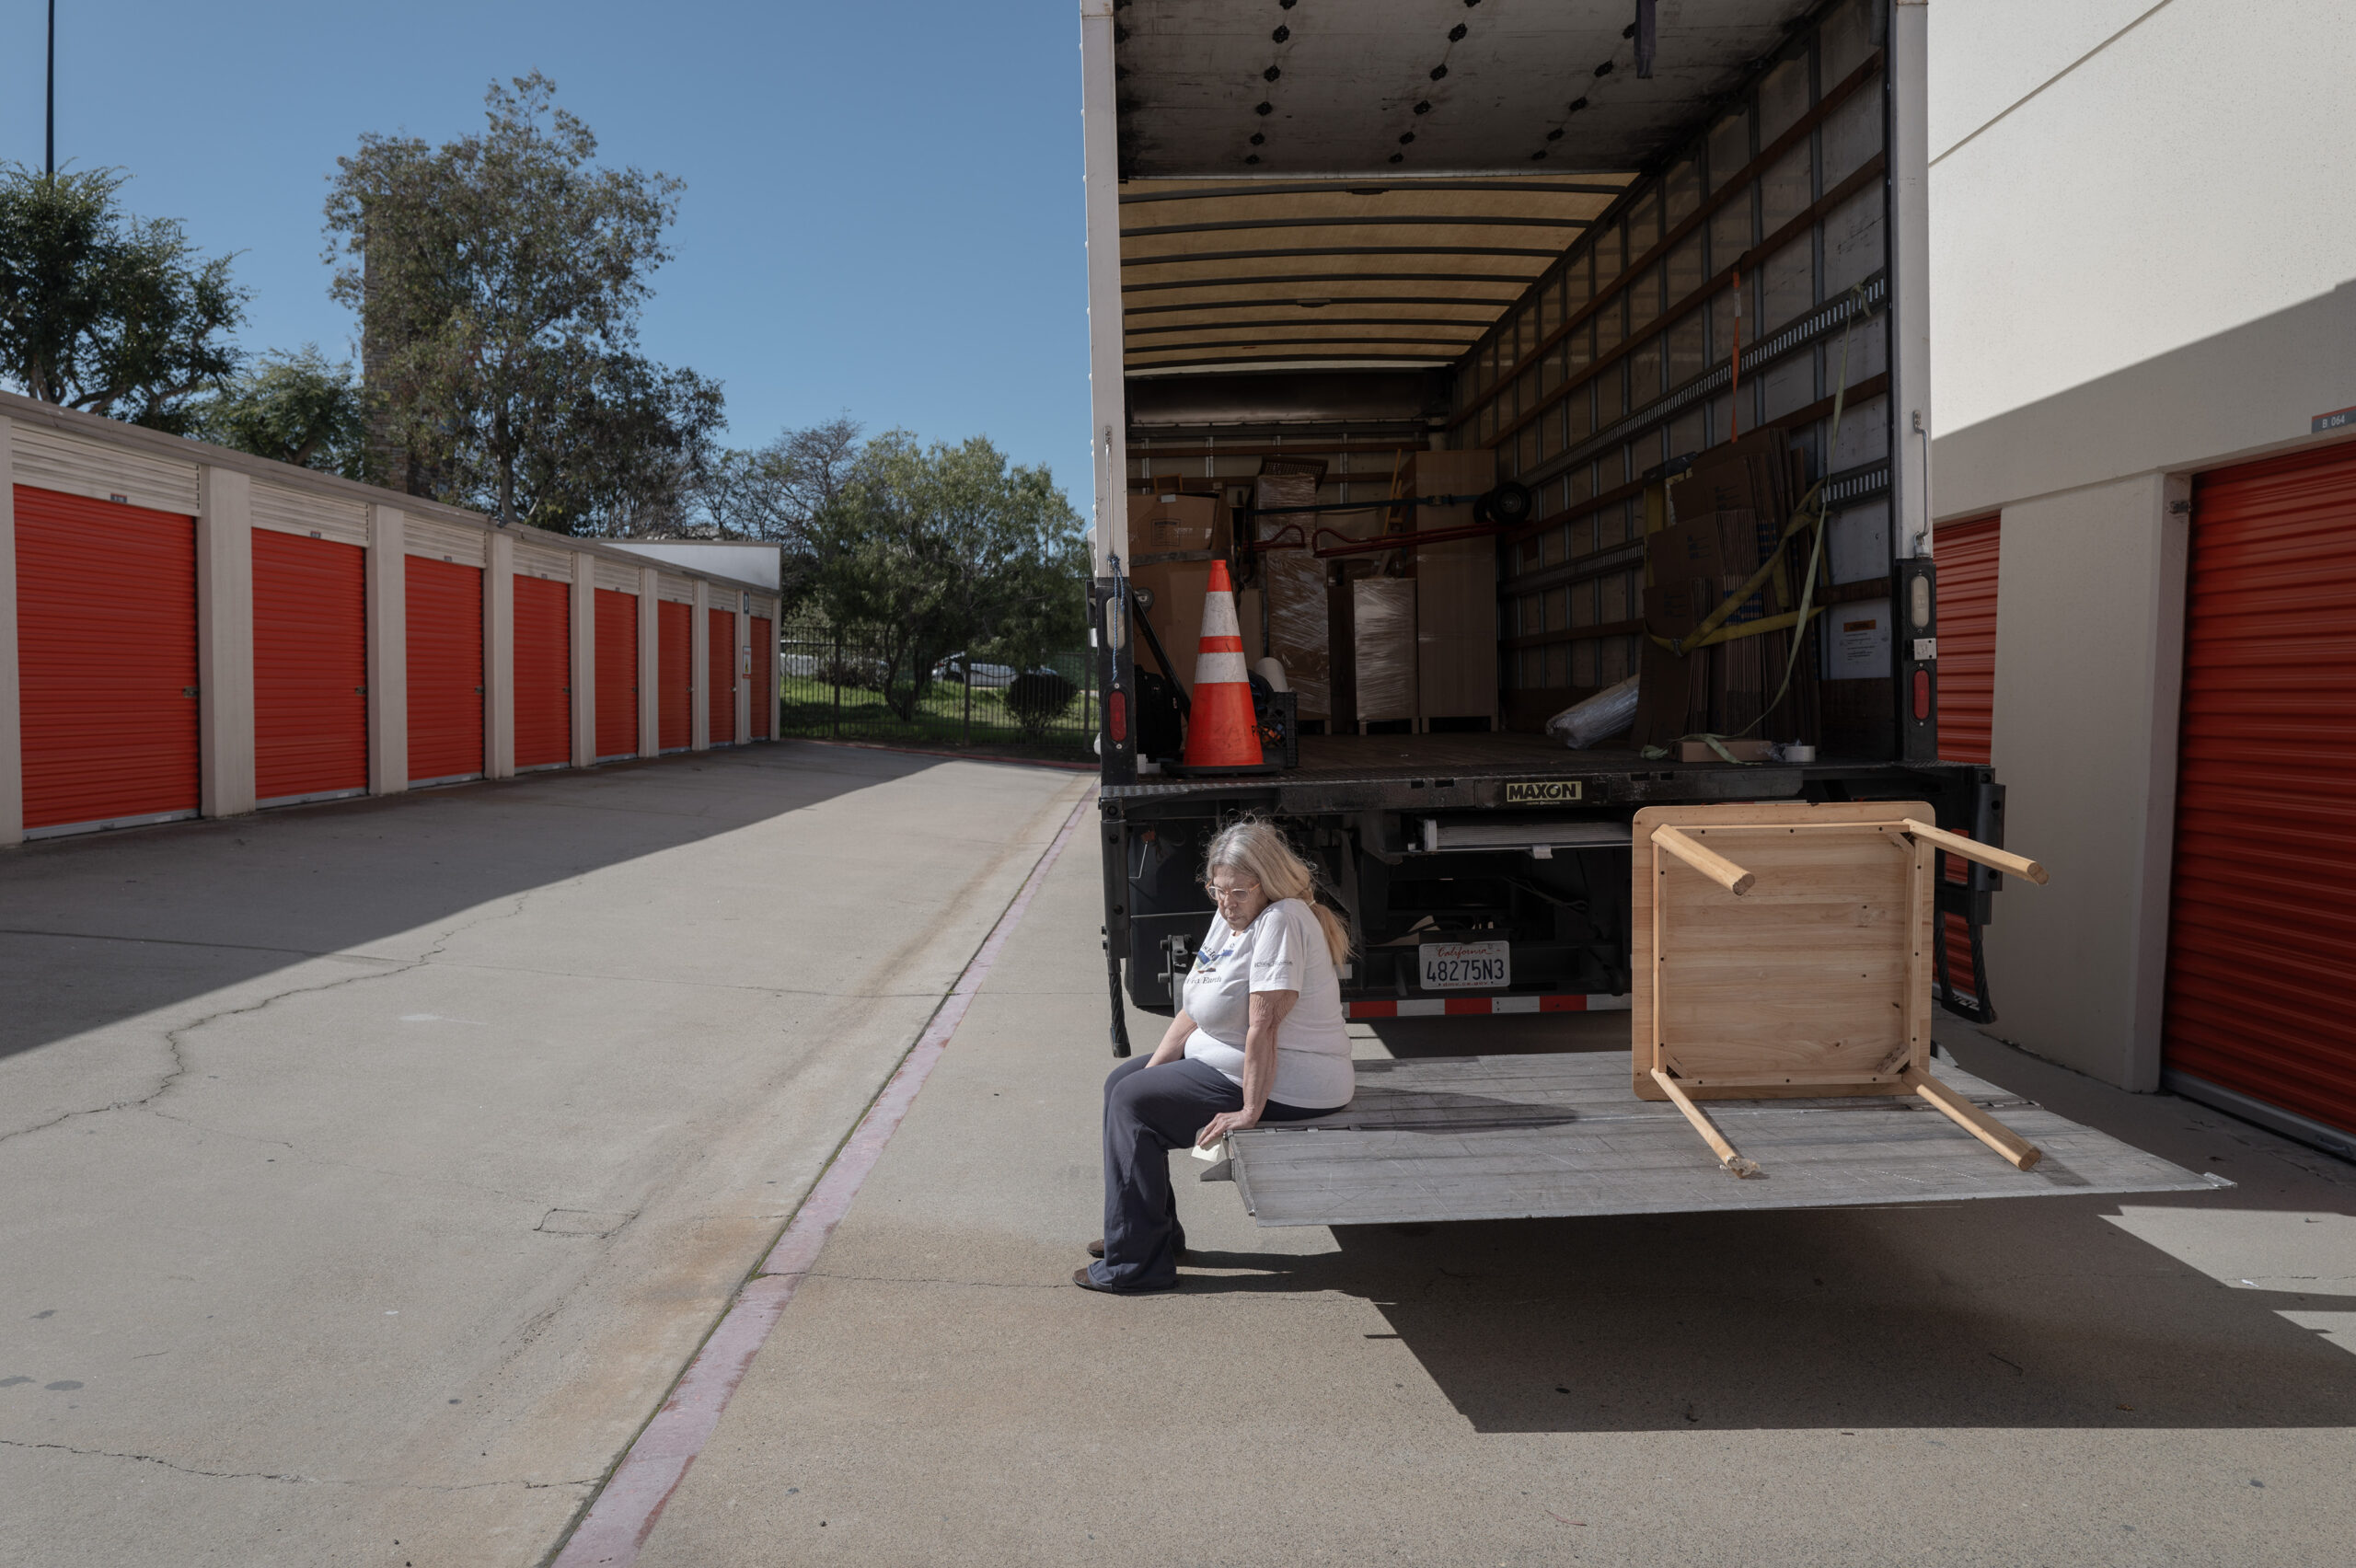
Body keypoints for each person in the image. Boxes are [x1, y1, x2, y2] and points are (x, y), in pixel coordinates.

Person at [1077, 818, 1356, 1294]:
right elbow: (1195, 1005)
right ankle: (1146, 1233)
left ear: (1266, 883)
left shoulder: (1282, 920)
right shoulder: (1232, 918)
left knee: (1133, 1103)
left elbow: (1263, 1026)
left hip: (1293, 1081)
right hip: (1229, 1061)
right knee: (1121, 1085)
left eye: (1238, 892)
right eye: (1217, 890)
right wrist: (1154, 1069)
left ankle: (1136, 1267)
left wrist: (1250, 1110)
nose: (1226, 902)